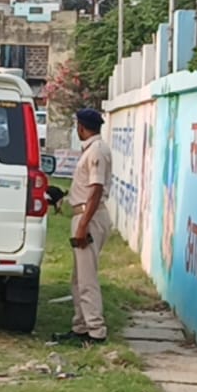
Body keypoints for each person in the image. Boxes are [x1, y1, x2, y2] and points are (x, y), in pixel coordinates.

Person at [52, 108, 112, 345]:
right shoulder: (93, 149)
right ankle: (81, 326)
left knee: (87, 278)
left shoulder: (96, 151)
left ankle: (95, 330)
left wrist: (83, 225)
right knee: (78, 279)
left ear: (81, 127)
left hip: (90, 216)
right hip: (86, 215)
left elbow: (95, 190)